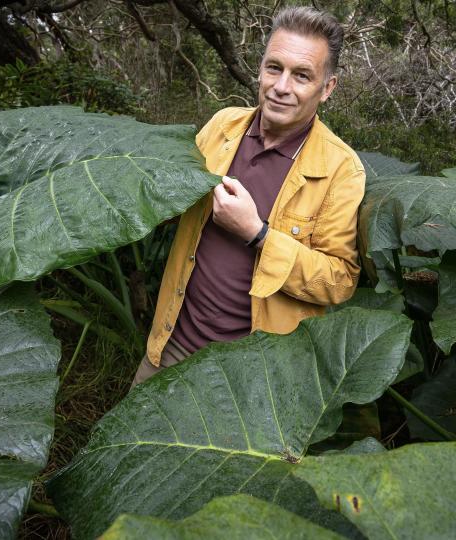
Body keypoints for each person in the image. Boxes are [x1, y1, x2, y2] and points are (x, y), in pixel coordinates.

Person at [131, 6, 365, 387]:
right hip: (172, 346)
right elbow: (174, 202)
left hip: (251, 375)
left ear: (327, 88)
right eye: (274, 68)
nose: (281, 86)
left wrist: (256, 233)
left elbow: (338, 281)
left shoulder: (341, 169)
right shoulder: (223, 126)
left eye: (302, 75)